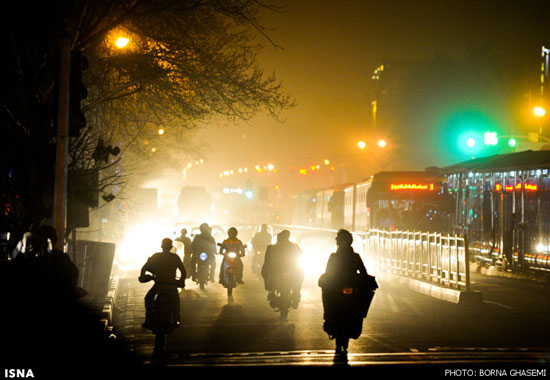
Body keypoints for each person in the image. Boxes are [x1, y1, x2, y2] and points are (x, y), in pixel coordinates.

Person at [318, 229, 377, 356]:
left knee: (328, 299)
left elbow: (328, 272)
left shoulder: (334, 257)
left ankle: (329, 320)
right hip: (348, 287)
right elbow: (363, 272)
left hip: (338, 287)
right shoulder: (355, 257)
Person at [140, 238, 186, 329]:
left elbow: (144, 268)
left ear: (162, 246)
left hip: (159, 285)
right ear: (171, 247)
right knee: (176, 303)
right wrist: (181, 281)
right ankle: (176, 319)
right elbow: (183, 272)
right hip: (171, 286)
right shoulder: (175, 257)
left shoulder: (156, 256)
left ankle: (148, 319)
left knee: (148, 299)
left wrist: (142, 276)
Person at [261, 230, 304, 309]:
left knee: (300, 275)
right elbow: (267, 261)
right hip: (278, 270)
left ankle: (295, 295)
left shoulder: (293, 246)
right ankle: (272, 292)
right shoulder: (273, 247)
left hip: (290, 269)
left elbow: (301, 254)